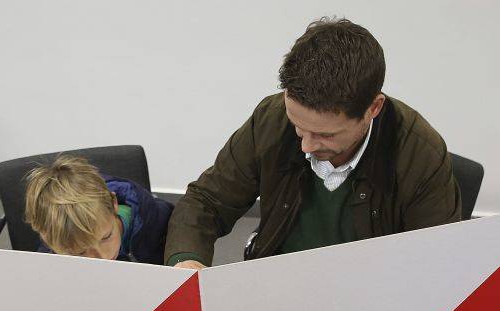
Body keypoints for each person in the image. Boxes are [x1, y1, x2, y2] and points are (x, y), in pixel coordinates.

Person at [165, 17, 461, 269]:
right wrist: (186, 261)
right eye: (297, 126)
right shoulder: (271, 119)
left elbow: (434, 262)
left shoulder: (421, 154)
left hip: (372, 295)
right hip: (275, 284)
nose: (306, 145)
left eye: (325, 135)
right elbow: (206, 202)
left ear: (373, 108)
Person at [25, 155, 173, 264]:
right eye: (80, 252)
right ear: (46, 239)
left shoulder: (156, 219)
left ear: (114, 203)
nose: (103, 257)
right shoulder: (50, 250)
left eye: (106, 237)